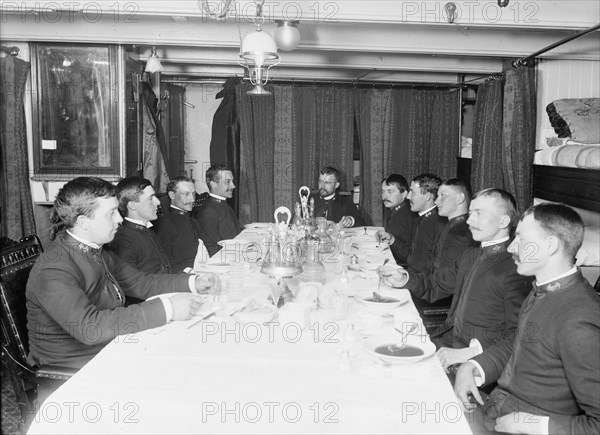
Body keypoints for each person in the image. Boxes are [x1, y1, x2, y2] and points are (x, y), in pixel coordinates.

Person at [26, 177, 219, 369]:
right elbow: (90, 328)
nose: (119, 219)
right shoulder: (53, 268)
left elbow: (142, 282)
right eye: (111, 214)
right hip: (72, 369)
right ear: (84, 222)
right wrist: (167, 308)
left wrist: (194, 282)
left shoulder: (97, 251)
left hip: (108, 348)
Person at [454, 203, 599, 435]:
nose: (511, 246)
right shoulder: (543, 289)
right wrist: (473, 366)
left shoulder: (579, 317)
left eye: (520, 238)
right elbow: (522, 344)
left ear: (551, 246)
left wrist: (533, 424)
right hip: (498, 409)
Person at [384, 188, 531, 367]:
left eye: (479, 214)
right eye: (469, 213)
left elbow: (521, 333)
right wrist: (405, 279)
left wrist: (471, 352)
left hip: (475, 360)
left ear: (504, 221)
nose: (469, 221)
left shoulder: (516, 268)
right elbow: (436, 285)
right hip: (447, 342)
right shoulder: (470, 255)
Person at [385, 178, 476, 303]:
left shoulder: (460, 234)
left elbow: (443, 283)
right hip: (428, 286)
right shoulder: (451, 226)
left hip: (439, 297)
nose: (437, 201)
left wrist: (409, 279)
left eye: (442, 196)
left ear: (460, 199)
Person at [107, 176, 172, 274]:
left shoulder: (147, 231)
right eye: (151, 198)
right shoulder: (123, 240)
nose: (158, 202)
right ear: (132, 205)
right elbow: (130, 283)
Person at [154, 176, 203, 271]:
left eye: (193, 194)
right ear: (172, 195)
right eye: (186, 194)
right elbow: (164, 259)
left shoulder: (193, 220)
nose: (192, 199)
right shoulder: (165, 223)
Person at [192, 164, 243, 257]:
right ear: (213, 184)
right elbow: (212, 247)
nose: (233, 186)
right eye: (228, 182)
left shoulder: (223, 203)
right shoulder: (208, 212)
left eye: (232, 181)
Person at [405, 173, 446, 274]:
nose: (408, 196)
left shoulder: (434, 223)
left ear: (427, 196)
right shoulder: (424, 218)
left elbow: (427, 267)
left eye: (412, 192)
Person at [375, 174, 419, 264]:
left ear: (404, 194)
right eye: (383, 191)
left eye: (390, 192)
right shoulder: (395, 208)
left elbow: (410, 255)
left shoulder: (409, 215)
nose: (384, 196)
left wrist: (392, 240)